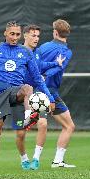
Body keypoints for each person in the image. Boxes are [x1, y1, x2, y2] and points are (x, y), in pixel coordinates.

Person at [0, 21, 55, 179]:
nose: (14, 37)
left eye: (17, 34)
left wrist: (50, 97)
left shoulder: (25, 52)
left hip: (16, 91)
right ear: (5, 33)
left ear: (21, 35)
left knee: (27, 87)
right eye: (12, 34)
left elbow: (37, 79)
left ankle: (29, 114)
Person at [22, 24, 65, 170]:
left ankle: (35, 159)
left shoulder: (36, 53)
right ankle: (24, 159)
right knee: (20, 130)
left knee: (43, 124)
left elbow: (41, 65)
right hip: (20, 95)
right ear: (25, 35)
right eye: (33, 35)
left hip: (36, 95)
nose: (36, 39)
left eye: (38, 36)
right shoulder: (19, 52)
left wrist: (56, 63)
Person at [36, 19, 76, 168]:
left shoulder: (43, 47)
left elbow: (36, 65)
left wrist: (40, 76)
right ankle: (57, 161)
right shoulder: (66, 52)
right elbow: (58, 68)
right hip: (50, 91)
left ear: (55, 32)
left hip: (36, 89)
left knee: (38, 123)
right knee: (69, 126)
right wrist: (47, 76)